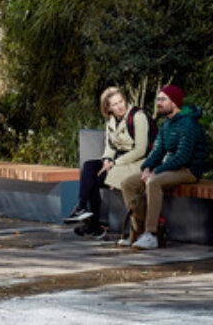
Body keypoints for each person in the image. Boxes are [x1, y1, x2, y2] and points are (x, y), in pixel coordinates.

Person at [118, 84, 207, 250]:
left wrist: (156, 172)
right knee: (127, 183)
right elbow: (157, 150)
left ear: (174, 103)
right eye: (158, 99)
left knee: (153, 183)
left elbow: (183, 157)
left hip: (188, 170)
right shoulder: (166, 123)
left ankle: (151, 234)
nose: (158, 102)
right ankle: (138, 231)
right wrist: (147, 167)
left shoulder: (188, 124)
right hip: (168, 168)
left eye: (162, 99)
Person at [64, 86, 153, 239]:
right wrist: (107, 159)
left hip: (137, 163)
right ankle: (81, 207)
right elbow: (110, 146)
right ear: (108, 108)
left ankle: (93, 225)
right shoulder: (111, 121)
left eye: (121, 101)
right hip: (118, 161)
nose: (120, 106)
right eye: (115, 104)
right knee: (89, 167)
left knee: (95, 180)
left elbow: (140, 150)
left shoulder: (138, 116)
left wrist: (115, 163)